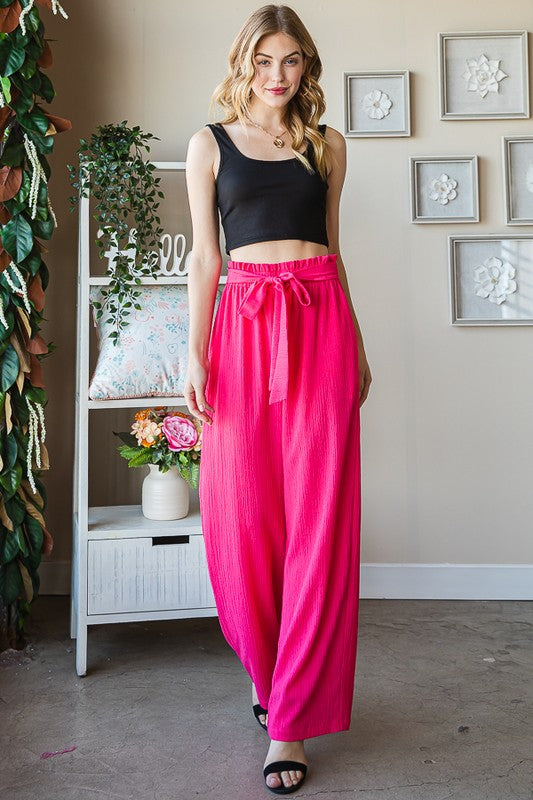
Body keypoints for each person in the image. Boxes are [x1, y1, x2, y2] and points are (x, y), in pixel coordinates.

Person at [184, 4, 372, 794]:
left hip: (319, 320)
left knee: (318, 520)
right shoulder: (209, 144)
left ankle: (287, 723)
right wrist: (193, 353)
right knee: (244, 518)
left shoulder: (327, 145)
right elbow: (205, 257)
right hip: (244, 324)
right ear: (243, 63)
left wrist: (356, 342)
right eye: (264, 59)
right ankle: (268, 679)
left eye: (291, 60)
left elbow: (334, 247)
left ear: (307, 67)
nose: (277, 74)